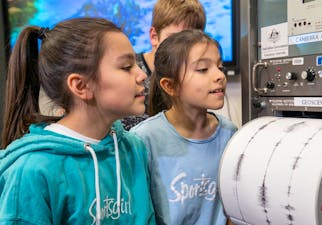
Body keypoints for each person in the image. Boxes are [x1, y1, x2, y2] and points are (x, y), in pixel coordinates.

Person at [0, 17, 156, 225]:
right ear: (80, 86)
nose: (142, 75)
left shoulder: (133, 148)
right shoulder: (32, 171)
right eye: (126, 67)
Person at [130, 29, 237, 225]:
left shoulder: (230, 134)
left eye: (219, 67)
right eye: (203, 69)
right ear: (170, 86)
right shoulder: (143, 139)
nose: (219, 75)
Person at [121, 0, 206, 130]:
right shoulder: (131, 73)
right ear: (154, 36)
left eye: (193, 41)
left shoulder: (197, 78)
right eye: (176, 39)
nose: (185, 49)